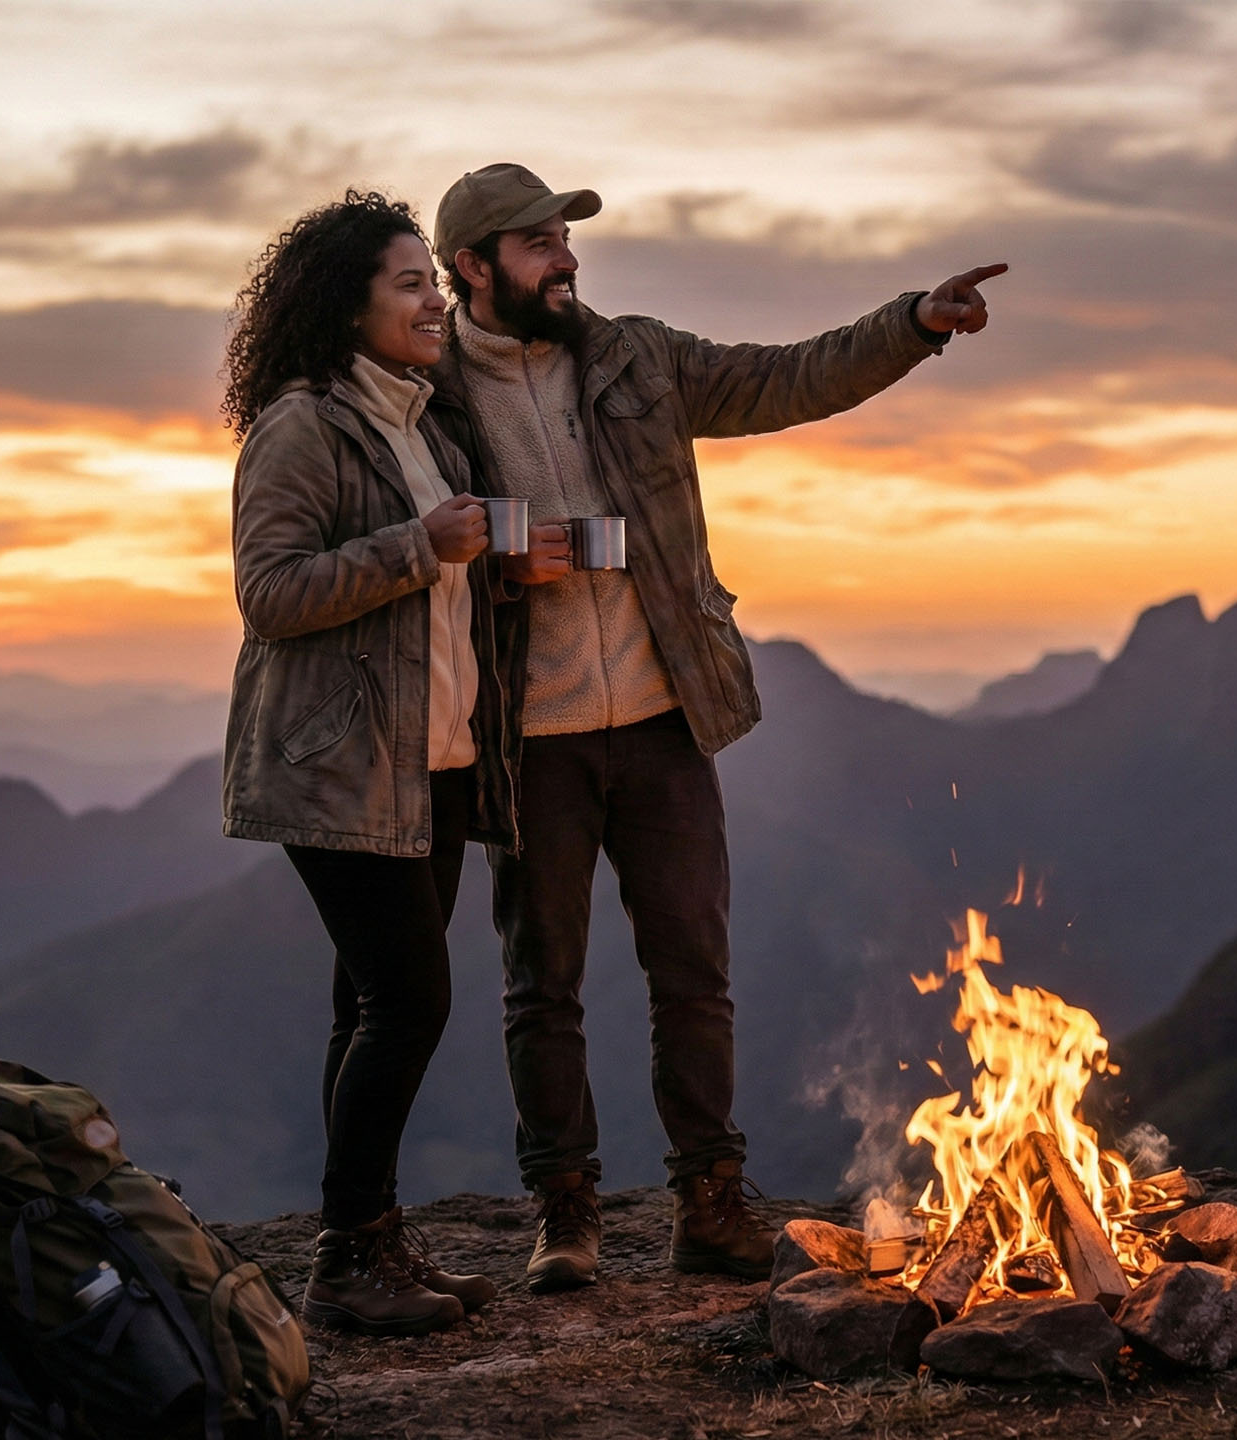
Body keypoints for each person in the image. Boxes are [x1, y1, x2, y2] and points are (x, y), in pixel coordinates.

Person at [421, 163, 1003, 1290]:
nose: (566, 259)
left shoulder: (634, 358)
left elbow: (784, 378)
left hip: (663, 714)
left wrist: (913, 325)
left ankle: (710, 1200)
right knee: (543, 983)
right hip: (526, 733)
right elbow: (403, 534)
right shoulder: (427, 396)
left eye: (565, 239)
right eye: (539, 243)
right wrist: (496, 564)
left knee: (693, 971)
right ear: (473, 267)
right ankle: (566, 1215)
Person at [218, 190, 566, 1335]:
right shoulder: (302, 426)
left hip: (438, 762)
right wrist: (422, 544)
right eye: (408, 284)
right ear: (346, 304)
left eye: (433, 283)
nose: (432, 304)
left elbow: (438, 595)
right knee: (411, 1002)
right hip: (341, 767)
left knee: (367, 1005)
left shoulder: (427, 426)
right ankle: (345, 1257)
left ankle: (368, 1241)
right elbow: (270, 595)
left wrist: (502, 566)